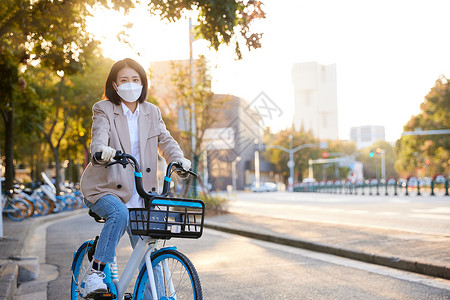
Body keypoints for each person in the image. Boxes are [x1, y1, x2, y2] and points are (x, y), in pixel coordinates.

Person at [80, 58, 191, 297]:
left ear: (142, 83)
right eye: (124, 80)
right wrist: (101, 151)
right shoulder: (104, 108)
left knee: (148, 254)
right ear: (115, 85)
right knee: (118, 213)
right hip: (105, 188)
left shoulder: (152, 112)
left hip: (142, 192)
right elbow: (99, 136)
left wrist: (179, 159)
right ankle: (95, 274)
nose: (130, 84)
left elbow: (166, 141)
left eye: (135, 79)